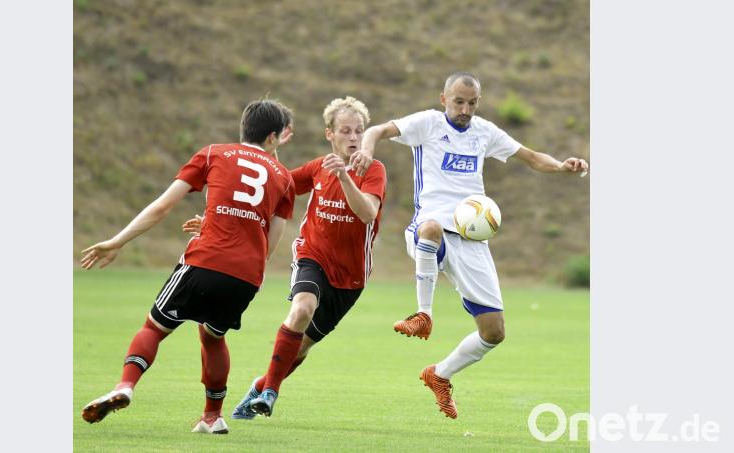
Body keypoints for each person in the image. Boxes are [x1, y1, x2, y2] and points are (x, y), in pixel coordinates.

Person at [349, 72, 589, 419]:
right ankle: (424, 314)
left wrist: (562, 166)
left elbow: (533, 157)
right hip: (430, 230)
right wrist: (367, 150)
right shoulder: (427, 124)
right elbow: (376, 131)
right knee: (430, 228)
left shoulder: (484, 132)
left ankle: (440, 374)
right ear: (443, 98)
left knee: (494, 332)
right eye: (458, 101)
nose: (465, 109)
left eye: (472, 103)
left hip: (472, 240)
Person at [78, 99, 296, 434]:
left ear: (243, 128)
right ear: (273, 138)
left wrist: (117, 241)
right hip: (246, 275)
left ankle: (125, 386)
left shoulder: (213, 153)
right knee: (213, 336)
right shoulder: (284, 178)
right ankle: (213, 416)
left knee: (154, 327)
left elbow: (163, 206)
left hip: (205, 260)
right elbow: (270, 239)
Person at [183, 96, 387, 419]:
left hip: (350, 278)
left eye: (359, 131)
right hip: (312, 256)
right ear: (329, 134)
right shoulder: (318, 168)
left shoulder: (373, 171)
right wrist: (213, 223)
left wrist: (344, 177)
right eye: (345, 131)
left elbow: (367, 213)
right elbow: (271, 186)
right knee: (302, 307)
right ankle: (270, 394)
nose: (353, 137)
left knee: (300, 348)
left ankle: (259, 388)